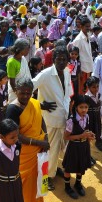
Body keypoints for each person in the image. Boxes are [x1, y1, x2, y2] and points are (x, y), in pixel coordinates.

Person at [32, 46, 73, 190]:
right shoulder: (46, 74)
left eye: (64, 59)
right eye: (59, 59)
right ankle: (47, 177)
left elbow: (67, 92)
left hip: (64, 117)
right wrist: (40, 104)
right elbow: (27, 88)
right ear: (53, 59)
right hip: (50, 119)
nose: (62, 62)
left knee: (61, 148)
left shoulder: (67, 71)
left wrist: (69, 109)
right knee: (51, 149)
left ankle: (54, 169)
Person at [5, 78, 50, 202]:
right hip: (24, 153)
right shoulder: (12, 109)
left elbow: (41, 120)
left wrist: (45, 137)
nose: (25, 96)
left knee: (39, 179)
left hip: (40, 150)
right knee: (24, 182)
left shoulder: (35, 103)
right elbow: (15, 136)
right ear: (16, 90)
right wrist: (39, 143)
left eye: (28, 93)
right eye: (22, 92)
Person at [62, 95, 95, 200]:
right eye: (81, 107)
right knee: (68, 168)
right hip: (74, 147)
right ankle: (67, 187)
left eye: (86, 107)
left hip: (84, 146)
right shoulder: (71, 121)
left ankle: (78, 184)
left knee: (81, 165)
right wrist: (81, 136)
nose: (84, 110)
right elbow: (66, 137)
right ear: (76, 107)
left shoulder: (87, 117)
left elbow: (86, 130)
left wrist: (90, 135)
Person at [0, 119, 24, 202]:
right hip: (4, 187)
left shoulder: (16, 146)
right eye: (12, 137)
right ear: (1, 137)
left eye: (17, 136)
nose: (16, 139)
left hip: (17, 183)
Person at [72, 17, 94, 94]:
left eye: (89, 26)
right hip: (82, 69)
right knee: (81, 90)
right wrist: (79, 70)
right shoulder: (78, 39)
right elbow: (75, 56)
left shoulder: (88, 36)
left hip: (88, 67)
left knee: (86, 89)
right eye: (86, 26)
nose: (88, 28)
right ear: (81, 26)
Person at [7, 38, 32, 103]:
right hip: (16, 93)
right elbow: (12, 82)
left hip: (25, 92)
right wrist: (18, 94)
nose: (28, 51)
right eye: (27, 49)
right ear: (21, 50)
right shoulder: (11, 62)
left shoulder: (23, 59)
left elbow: (27, 74)